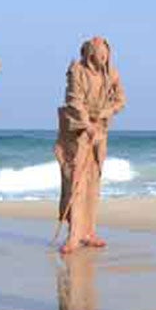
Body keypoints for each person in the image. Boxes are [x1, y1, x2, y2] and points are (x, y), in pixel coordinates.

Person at [54, 38, 125, 252]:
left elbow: (120, 99)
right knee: (75, 181)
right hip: (76, 132)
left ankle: (89, 231)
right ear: (90, 53)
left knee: (93, 183)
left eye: (106, 53)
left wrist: (105, 114)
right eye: (99, 53)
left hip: (99, 133)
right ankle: (74, 235)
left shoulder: (111, 74)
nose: (103, 57)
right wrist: (87, 125)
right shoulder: (77, 71)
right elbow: (74, 99)